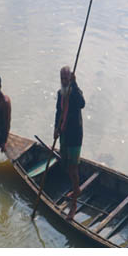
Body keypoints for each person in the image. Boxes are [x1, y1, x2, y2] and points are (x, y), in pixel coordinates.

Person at [54, 66, 86, 219]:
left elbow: (82, 104)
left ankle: (74, 205)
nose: (64, 82)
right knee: (65, 165)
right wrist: (55, 128)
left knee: (73, 169)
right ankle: (77, 188)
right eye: (62, 79)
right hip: (64, 133)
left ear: (70, 79)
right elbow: (58, 112)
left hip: (74, 135)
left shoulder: (74, 93)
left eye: (67, 79)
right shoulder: (60, 94)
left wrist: (75, 83)